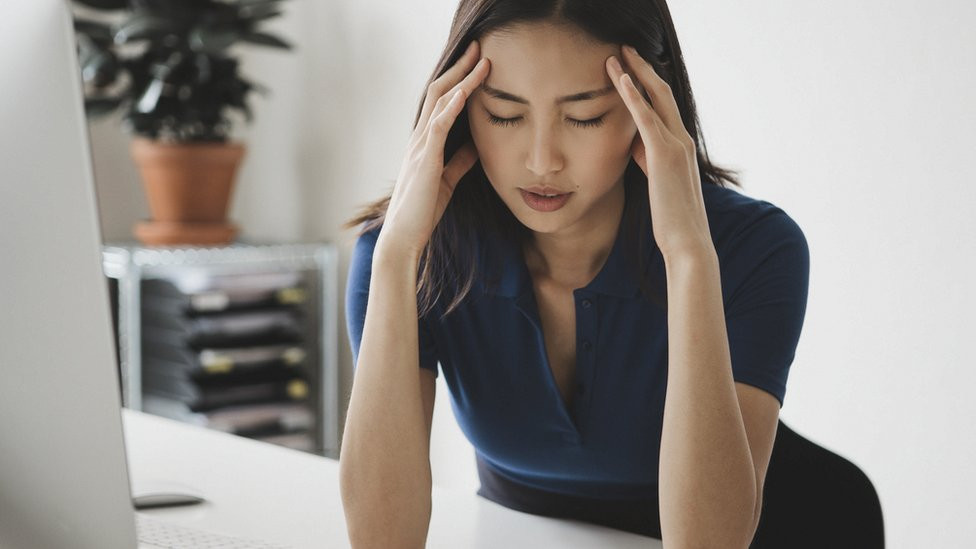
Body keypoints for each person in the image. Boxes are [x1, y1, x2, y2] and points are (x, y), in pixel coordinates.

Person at [339, 0, 810, 547]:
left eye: (584, 116)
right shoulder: (404, 254)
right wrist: (397, 256)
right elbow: (380, 540)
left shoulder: (754, 248)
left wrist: (687, 257)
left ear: (652, 107)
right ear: (456, 108)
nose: (542, 161)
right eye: (504, 114)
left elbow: (709, 543)